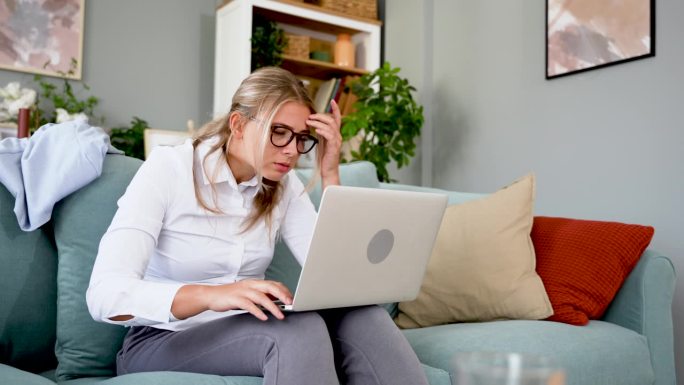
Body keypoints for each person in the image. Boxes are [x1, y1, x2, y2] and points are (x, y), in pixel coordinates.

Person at [86, 67, 429, 385]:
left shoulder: (283, 184)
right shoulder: (170, 169)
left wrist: (329, 174)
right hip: (163, 338)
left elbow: (339, 276)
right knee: (299, 330)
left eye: (300, 138)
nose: (292, 151)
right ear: (237, 125)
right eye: (278, 133)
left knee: (363, 316)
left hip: (247, 328)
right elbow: (105, 296)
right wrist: (213, 296)